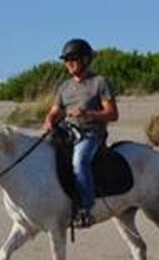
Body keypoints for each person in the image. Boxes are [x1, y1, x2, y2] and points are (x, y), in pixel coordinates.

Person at [43, 38, 118, 228]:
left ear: (85, 59)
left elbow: (112, 114)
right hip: (67, 132)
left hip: (91, 133)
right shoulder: (64, 87)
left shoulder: (99, 82)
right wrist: (49, 121)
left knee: (79, 161)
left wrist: (88, 113)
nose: (69, 63)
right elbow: (54, 112)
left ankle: (86, 208)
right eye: (66, 59)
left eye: (73, 58)